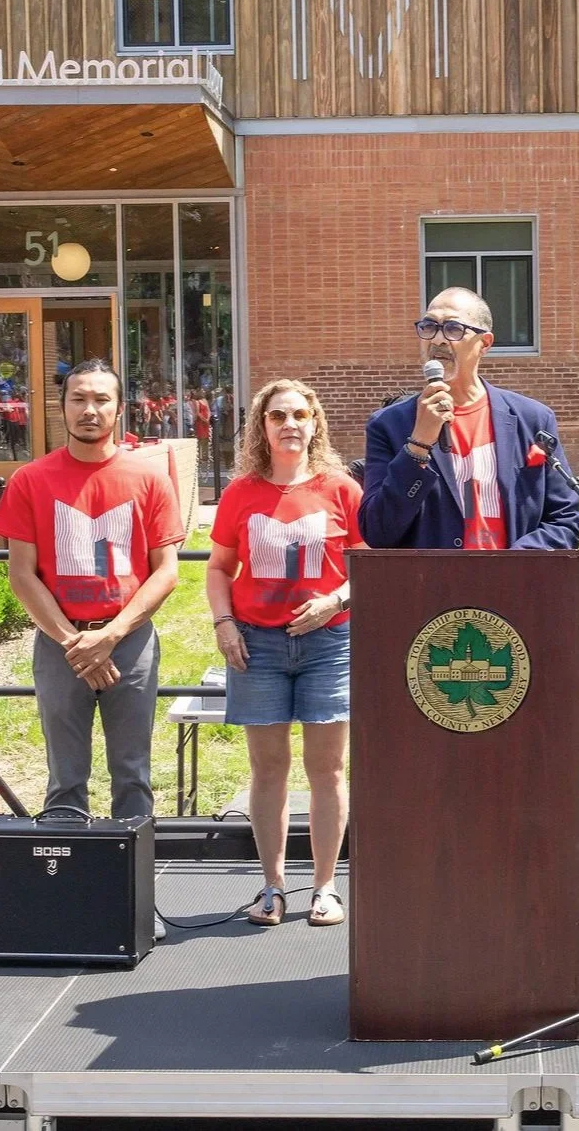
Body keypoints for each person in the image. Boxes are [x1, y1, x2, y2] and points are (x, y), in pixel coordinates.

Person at [0, 359, 184, 828]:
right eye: (78, 398)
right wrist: (75, 645)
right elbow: (22, 574)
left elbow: (166, 573)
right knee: (64, 778)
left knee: (133, 773)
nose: (89, 409)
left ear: (120, 410)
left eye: (101, 399)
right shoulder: (30, 480)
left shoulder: (149, 479)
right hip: (60, 644)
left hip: (130, 642)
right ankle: (66, 887)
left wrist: (111, 636)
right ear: (62, 407)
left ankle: (134, 891)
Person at [207, 379, 363, 927]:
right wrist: (225, 624)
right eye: (278, 416)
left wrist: (335, 600)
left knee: (328, 769)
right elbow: (219, 568)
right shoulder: (241, 493)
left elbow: (369, 567)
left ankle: (324, 887)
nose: (290, 424)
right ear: (262, 427)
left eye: (300, 414)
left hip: (330, 643)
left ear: (315, 422)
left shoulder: (341, 489)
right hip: (257, 644)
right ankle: (272, 886)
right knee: (267, 769)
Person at [359, 288, 579, 551]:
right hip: (431, 586)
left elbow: (564, 521)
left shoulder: (532, 419)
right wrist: (417, 445)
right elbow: (378, 531)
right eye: (429, 326)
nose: (438, 339)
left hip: (512, 585)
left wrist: (513, 564)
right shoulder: (389, 425)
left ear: (484, 343)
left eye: (453, 328)